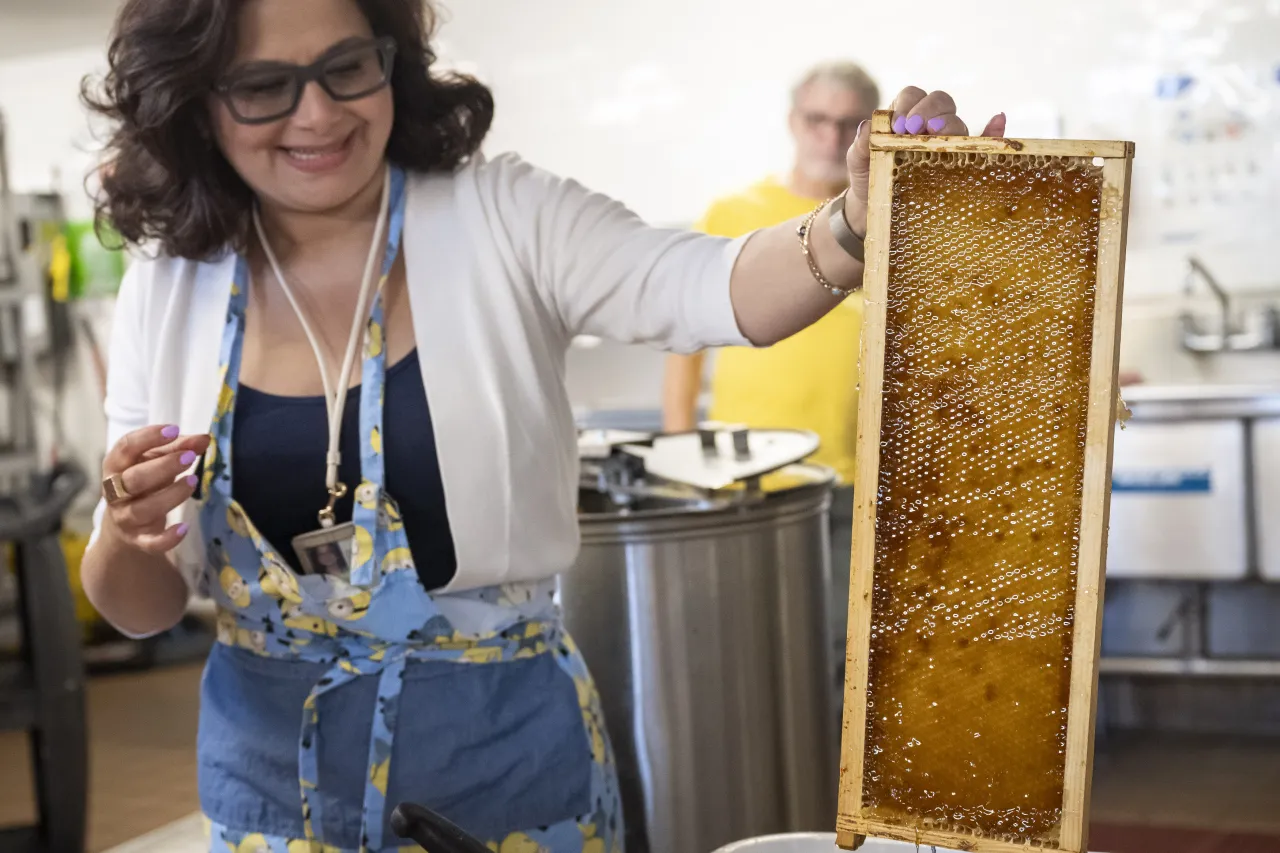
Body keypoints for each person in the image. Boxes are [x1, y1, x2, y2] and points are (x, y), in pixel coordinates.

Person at [78, 0, 1004, 850]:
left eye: (346, 67)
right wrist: (126, 530)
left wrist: (850, 225)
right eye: (265, 86)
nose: (318, 115)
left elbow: (706, 285)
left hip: (506, 774)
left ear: (389, 61)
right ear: (199, 103)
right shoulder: (170, 285)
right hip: (277, 795)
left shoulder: (500, 215)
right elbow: (142, 602)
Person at [662, 60, 887, 687]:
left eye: (847, 124)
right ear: (794, 121)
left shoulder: (891, 225)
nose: (829, 136)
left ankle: (827, 784)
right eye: (817, 119)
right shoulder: (736, 211)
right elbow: (685, 343)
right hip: (745, 485)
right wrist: (681, 459)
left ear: (868, 132)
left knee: (847, 656)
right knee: (753, 649)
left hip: (852, 483)